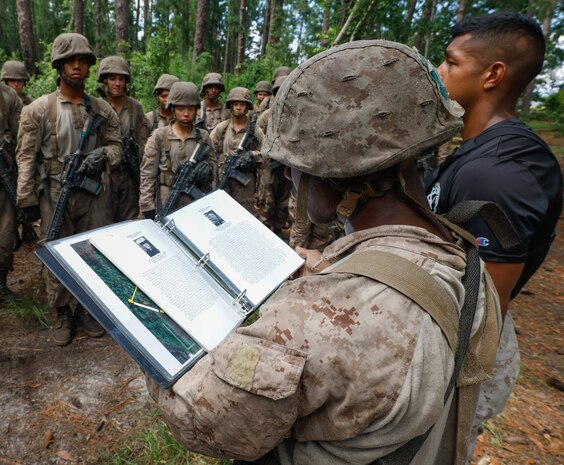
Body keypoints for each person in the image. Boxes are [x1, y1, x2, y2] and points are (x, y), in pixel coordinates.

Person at [145, 40, 502, 465]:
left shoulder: (317, 317)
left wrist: (152, 332)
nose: (289, 177)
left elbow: (200, 419)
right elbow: (492, 392)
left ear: (332, 176)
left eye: (293, 166)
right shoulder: (467, 262)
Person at [425, 12, 563, 456]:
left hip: (456, 364)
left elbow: (481, 317)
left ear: (493, 75)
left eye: (451, 62)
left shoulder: (497, 174)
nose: (440, 71)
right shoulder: (476, 153)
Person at [16, 33, 122, 346]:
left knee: (94, 252)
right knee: (56, 254)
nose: (77, 66)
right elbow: (25, 157)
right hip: (54, 193)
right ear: (59, 66)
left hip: (93, 195)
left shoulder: (102, 109)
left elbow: (118, 148)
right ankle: (62, 311)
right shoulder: (38, 110)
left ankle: (89, 309)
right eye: (70, 61)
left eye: (83, 61)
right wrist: (25, 199)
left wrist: (102, 155)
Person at [139, 81, 215, 219]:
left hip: (196, 200)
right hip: (167, 198)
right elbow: (147, 174)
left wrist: (207, 169)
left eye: (190, 109)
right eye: (180, 108)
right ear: (173, 109)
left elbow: (214, 168)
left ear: (196, 110)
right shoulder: (159, 136)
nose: (186, 114)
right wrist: (147, 206)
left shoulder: (203, 136)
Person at [97, 56, 149, 222]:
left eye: (121, 79)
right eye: (112, 78)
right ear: (105, 81)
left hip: (129, 174)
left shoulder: (136, 108)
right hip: (103, 174)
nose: (117, 83)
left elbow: (143, 142)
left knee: (128, 222)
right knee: (103, 221)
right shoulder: (96, 106)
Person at [210, 87, 264, 215]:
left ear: (247, 107)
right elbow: (209, 152)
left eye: (242, 104)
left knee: (244, 215)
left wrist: (251, 156)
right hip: (224, 176)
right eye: (235, 104)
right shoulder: (222, 128)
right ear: (231, 106)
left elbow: (266, 153)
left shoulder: (255, 130)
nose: (238, 107)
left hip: (245, 180)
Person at [256, 76, 292, 237]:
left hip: (288, 164)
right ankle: (264, 230)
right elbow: (258, 137)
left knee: (284, 201)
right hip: (270, 164)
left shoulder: (295, 114)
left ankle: (278, 229)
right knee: (267, 200)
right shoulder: (266, 115)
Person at [0, 78, 22, 298]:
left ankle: (1, 283)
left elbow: (21, 138)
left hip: (4, 175)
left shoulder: (8, 97)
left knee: (5, 235)